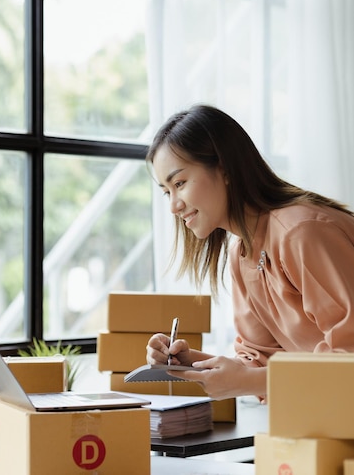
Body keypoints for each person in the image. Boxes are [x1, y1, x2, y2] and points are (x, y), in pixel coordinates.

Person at [145, 104, 354, 401]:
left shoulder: (301, 233)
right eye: (167, 191)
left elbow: (349, 357)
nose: (173, 205)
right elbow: (261, 362)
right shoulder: (241, 252)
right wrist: (190, 362)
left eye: (180, 183)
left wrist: (250, 381)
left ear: (226, 169)